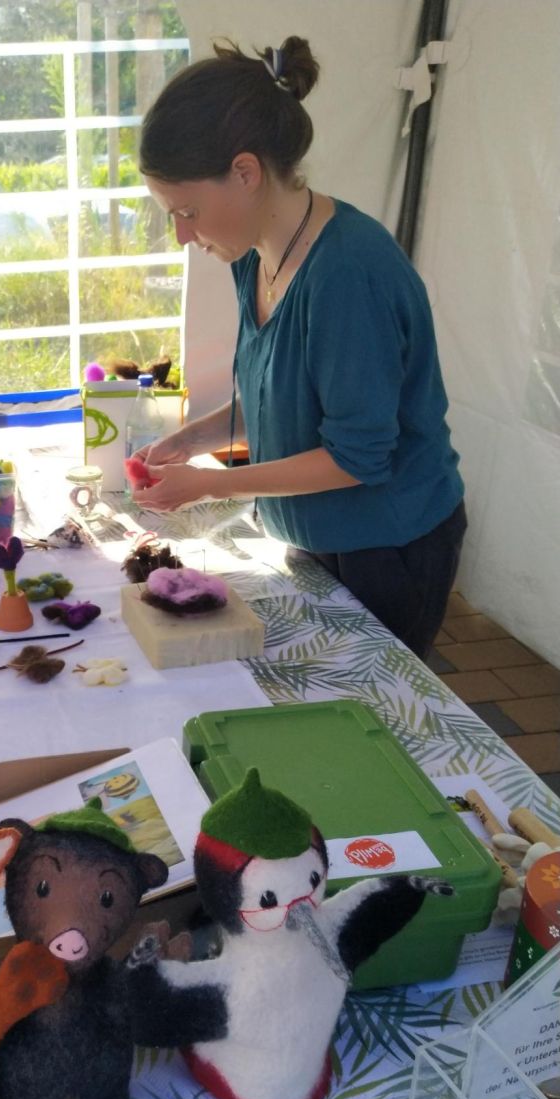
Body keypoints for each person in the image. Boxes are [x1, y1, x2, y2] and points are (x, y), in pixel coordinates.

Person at [131, 37, 466, 659]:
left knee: (366, 703)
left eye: (188, 211)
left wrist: (210, 485)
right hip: (313, 534)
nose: (180, 235)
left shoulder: (348, 275)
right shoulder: (252, 255)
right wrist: (192, 440)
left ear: (245, 172)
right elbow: (277, 399)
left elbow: (356, 457)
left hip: (386, 546)